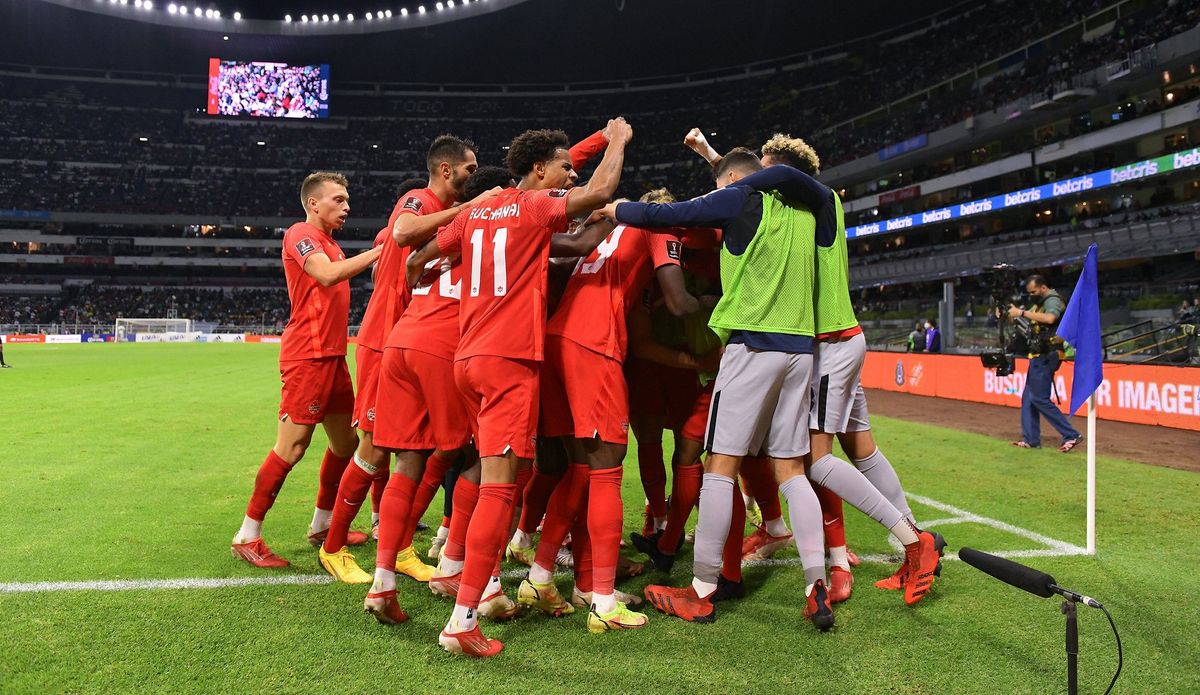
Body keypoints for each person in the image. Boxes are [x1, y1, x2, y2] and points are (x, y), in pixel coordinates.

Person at [421, 121, 633, 657]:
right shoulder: (532, 208)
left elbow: (417, 259)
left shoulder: (473, 212)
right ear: (539, 170)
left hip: (465, 358)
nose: (571, 175)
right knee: (500, 486)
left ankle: (479, 585)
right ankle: (461, 621)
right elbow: (602, 194)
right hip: (509, 360)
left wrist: (432, 274)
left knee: (489, 474)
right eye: (564, 167)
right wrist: (619, 142)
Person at [600, 148, 832, 628]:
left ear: (736, 179)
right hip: (799, 351)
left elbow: (670, 214)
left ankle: (702, 589)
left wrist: (616, 208)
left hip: (749, 347)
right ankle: (816, 584)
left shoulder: (743, 200)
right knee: (791, 468)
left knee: (720, 467)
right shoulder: (813, 211)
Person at [516, 186, 703, 634]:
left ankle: (545, 578)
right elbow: (678, 302)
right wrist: (723, 312)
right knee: (606, 471)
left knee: (579, 469)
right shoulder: (659, 223)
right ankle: (603, 602)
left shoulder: (607, 231)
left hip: (558, 340)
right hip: (593, 344)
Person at [318, 135, 489, 585]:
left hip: (411, 335)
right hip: (385, 340)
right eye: (470, 169)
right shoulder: (419, 198)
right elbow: (400, 233)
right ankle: (333, 547)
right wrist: (465, 209)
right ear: (447, 170)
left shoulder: (436, 213)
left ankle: (400, 547)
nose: (475, 177)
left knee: (417, 448)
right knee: (373, 451)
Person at [363, 166, 510, 624]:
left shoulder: (453, 228)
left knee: (407, 459)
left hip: (403, 339)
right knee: (476, 457)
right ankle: (469, 577)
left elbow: (409, 263)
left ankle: (382, 582)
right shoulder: (498, 232)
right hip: (444, 349)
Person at [230, 172, 383, 568]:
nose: (347, 206)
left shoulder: (331, 243)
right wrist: (380, 251)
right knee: (292, 447)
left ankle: (322, 524)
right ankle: (248, 535)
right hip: (307, 357)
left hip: (332, 358)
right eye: (339, 199)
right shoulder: (301, 233)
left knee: (345, 446)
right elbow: (326, 275)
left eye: (348, 200)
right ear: (314, 203)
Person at [1009, 275, 1082, 452]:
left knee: (1038, 398)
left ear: (1043, 287)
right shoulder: (1038, 303)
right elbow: (1027, 322)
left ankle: (1071, 434)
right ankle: (1031, 439)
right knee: (1028, 398)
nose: (1031, 295)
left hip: (1048, 354)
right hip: (1037, 354)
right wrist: (1010, 315)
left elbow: (1050, 318)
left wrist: (1021, 313)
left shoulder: (1052, 300)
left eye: (1033, 291)